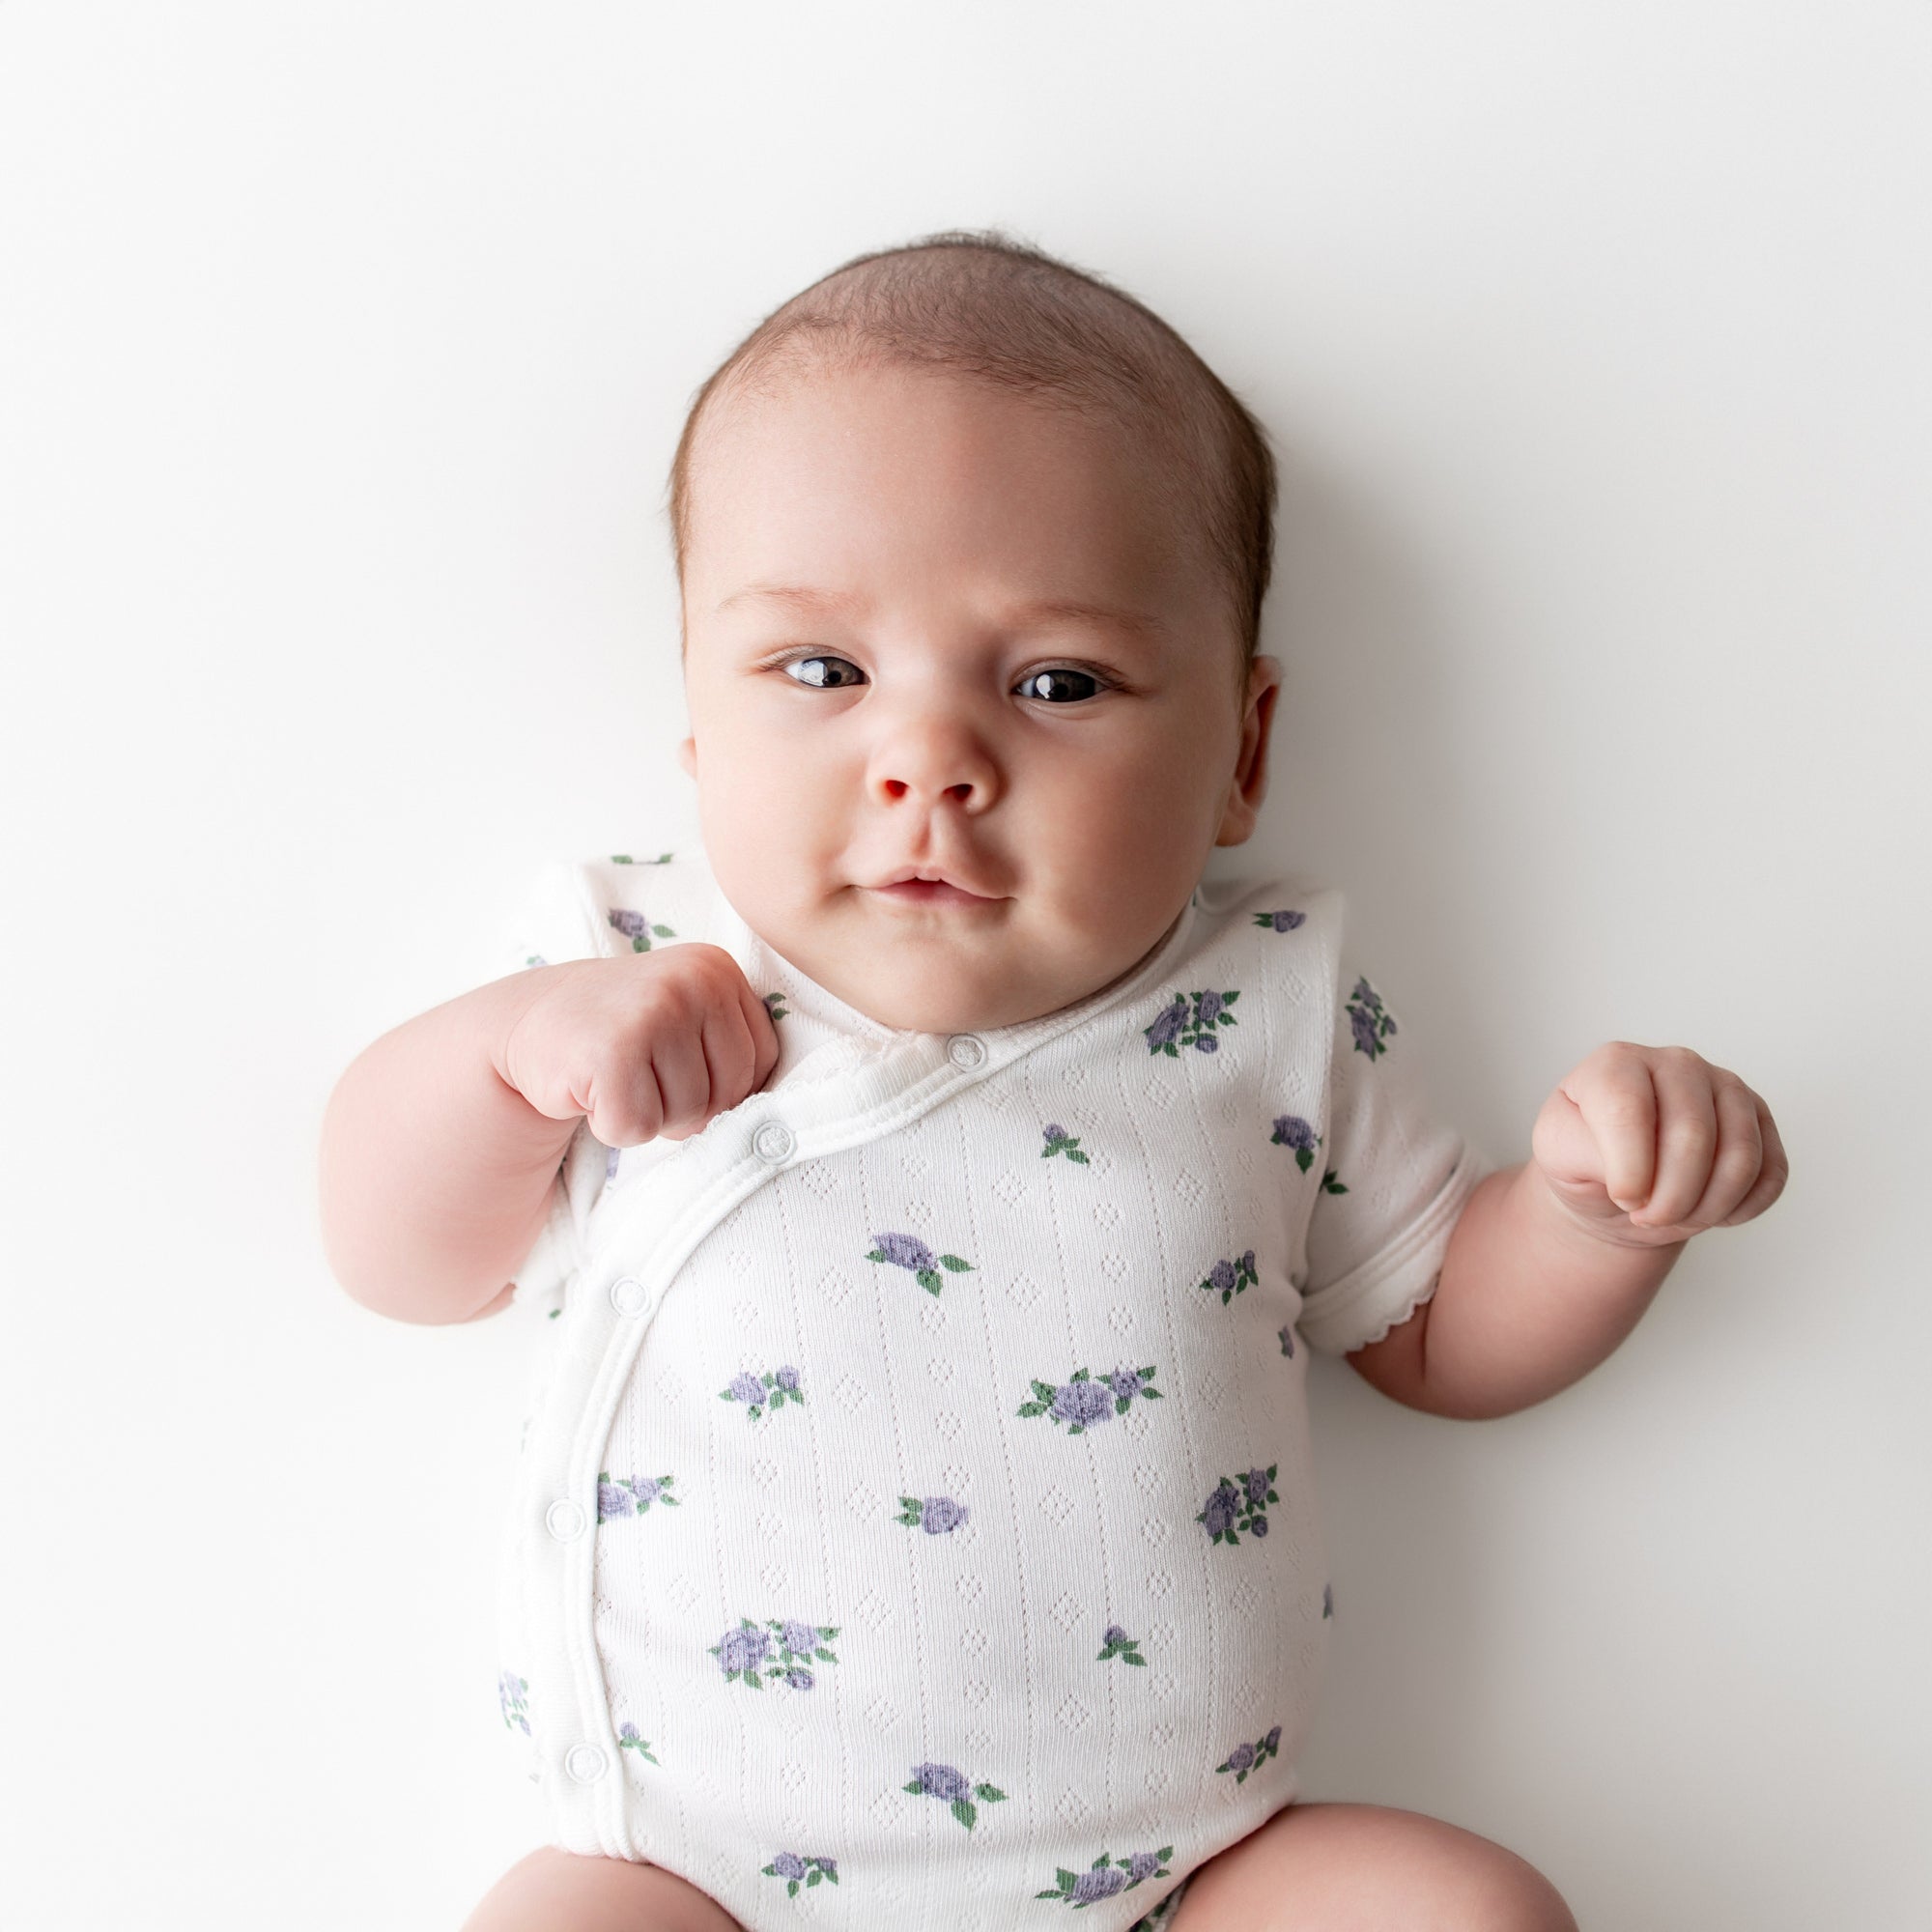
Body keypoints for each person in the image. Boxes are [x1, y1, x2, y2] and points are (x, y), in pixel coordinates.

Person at [318, 232, 1786, 1931]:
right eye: (821, 670)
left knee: (1469, 1910)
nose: (928, 759)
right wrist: (506, 1067)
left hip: (1191, 1863)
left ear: (1240, 752)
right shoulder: (630, 970)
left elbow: (1439, 1334)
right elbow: (402, 1261)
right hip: (685, 1868)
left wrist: (1601, 1218)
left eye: (1056, 683)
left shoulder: (1268, 1007)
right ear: (700, 729)